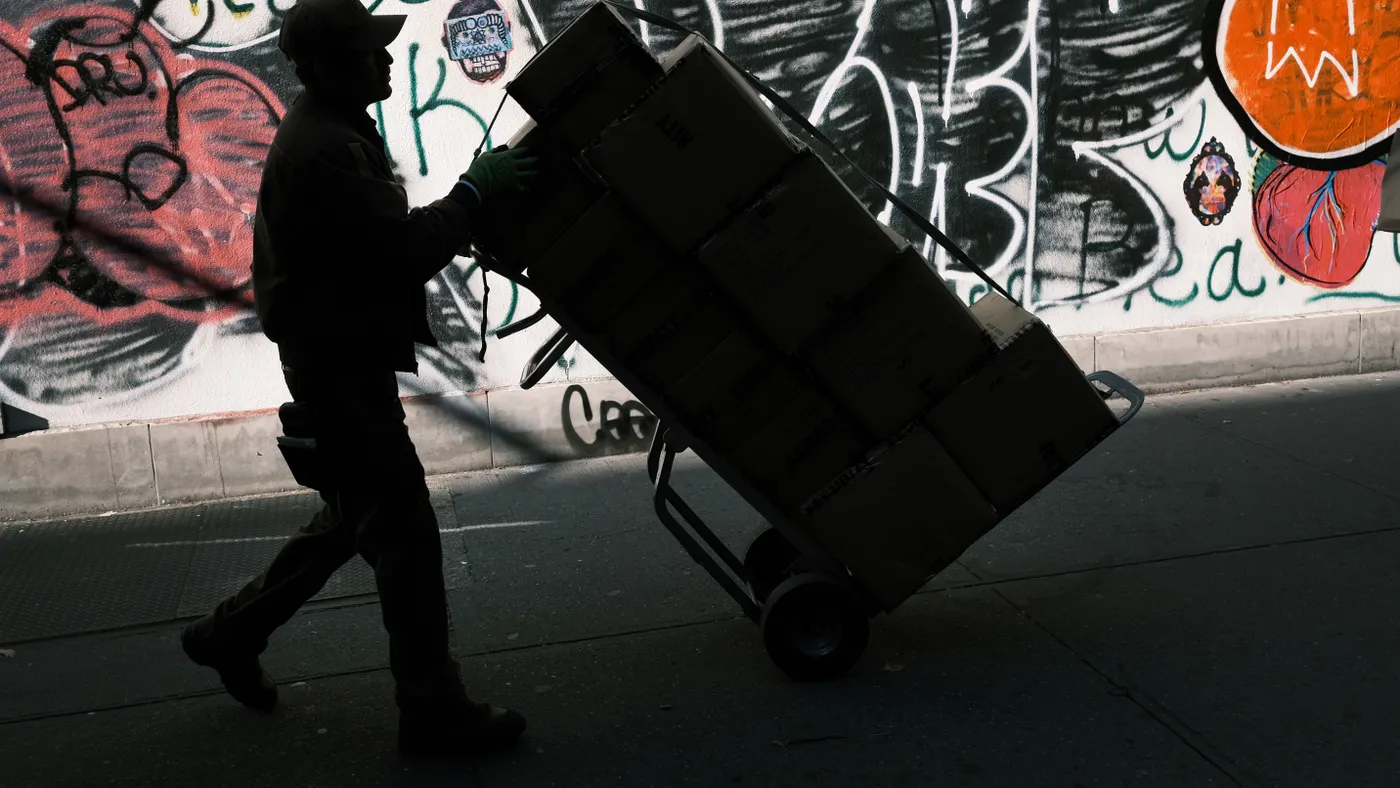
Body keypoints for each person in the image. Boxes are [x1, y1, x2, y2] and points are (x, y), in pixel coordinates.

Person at [178, 0, 539, 759]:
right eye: (369, 52)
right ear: (325, 66)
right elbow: (398, 251)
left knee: (354, 519)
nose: (386, 60)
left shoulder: (335, 131)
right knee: (403, 533)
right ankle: (433, 709)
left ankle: (229, 634)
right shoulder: (324, 150)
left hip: (339, 360)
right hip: (338, 369)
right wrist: (476, 194)